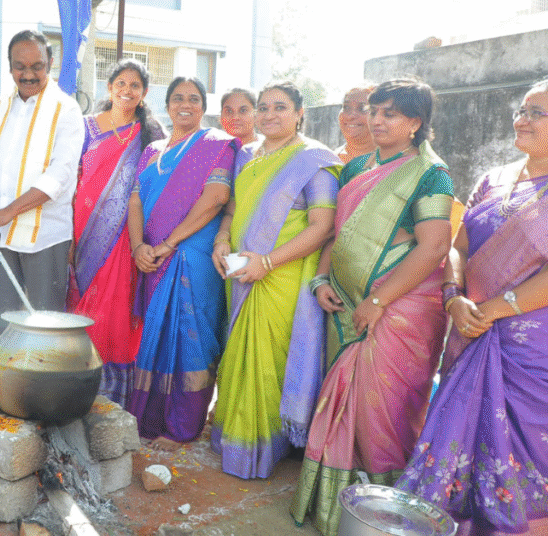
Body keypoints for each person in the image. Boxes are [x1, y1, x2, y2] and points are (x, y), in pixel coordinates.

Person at [290, 78, 454, 535]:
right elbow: (337, 234)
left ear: (415, 123)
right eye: (373, 110)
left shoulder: (431, 173)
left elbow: (433, 246)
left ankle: (384, 513)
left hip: (401, 309)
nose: (375, 120)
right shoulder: (358, 165)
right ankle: (339, 506)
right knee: (345, 400)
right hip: (344, 304)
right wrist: (323, 278)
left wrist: (379, 301)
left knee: (385, 405)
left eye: (389, 114)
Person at [395, 80, 548, 536]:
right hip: (468, 325)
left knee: (521, 448)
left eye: (538, 113)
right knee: (460, 433)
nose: (522, 119)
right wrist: (453, 296)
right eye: (522, 110)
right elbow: (458, 245)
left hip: (525, 345)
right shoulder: (493, 179)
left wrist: (496, 309)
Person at [210, 81, 341, 479]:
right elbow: (233, 207)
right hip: (240, 273)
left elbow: (322, 226)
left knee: (270, 361)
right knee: (238, 355)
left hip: (282, 277)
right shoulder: (247, 155)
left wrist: (267, 261)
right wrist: (221, 238)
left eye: (280, 107)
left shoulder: (314, 159)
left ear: (300, 112)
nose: (269, 115)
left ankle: (264, 449)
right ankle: (232, 439)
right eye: (263, 107)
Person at [125, 77, 236, 450]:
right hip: (152, 253)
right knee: (154, 337)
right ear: (167, 105)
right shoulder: (153, 148)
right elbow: (137, 199)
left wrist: (169, 243)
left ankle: (183, 425)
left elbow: (217, 197)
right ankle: (151, 417)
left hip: (191, 255)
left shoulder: (216, 145)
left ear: (203, 106)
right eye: (177, 98)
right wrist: (139, 244)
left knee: (192, 336)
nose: (184, 105)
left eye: (193, 98)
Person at [0, 30, 83, 334]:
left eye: (36, 66)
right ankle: (2, 382)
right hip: (1, 236)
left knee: (43, 325)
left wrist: (6, 212)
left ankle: (41, 383)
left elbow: (60, 176)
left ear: (50, 63)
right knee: (3, 323)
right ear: (10, 66)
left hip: (45, 237)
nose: (27, 74)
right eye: (19, 66)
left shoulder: (67, 109)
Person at [68, 59, 163, 406]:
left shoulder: (151, 134)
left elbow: (155, 186)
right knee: (79, 301)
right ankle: (75, 382)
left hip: (126, 235)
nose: (127, 90)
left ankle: (109, 395)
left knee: (115, 308)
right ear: (109, 87)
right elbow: (70, 180)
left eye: (135, 85)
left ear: (144, 92)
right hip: (82, 227)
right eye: (120, 83)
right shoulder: (85, 127)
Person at [334, 86, 376, 163]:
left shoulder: (393, 163)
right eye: (346, 107)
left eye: (362, 108)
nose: (351, 116)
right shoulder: (329, 161)